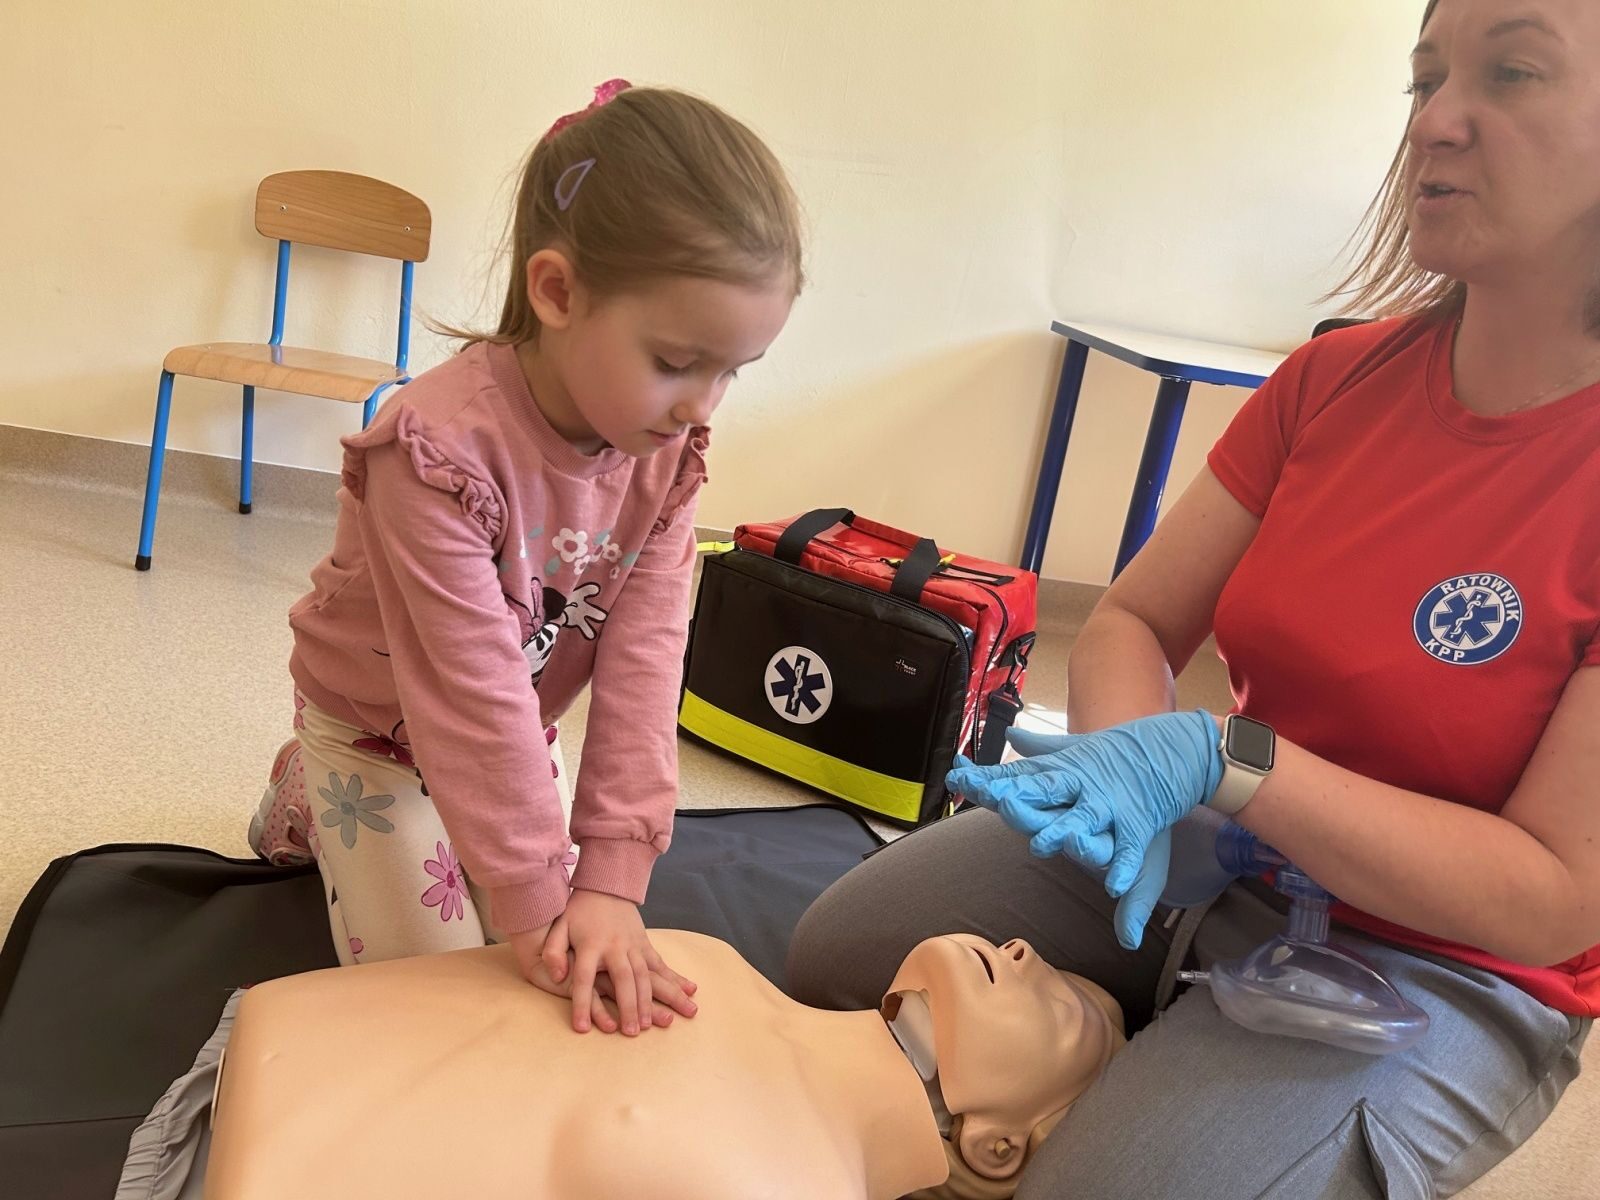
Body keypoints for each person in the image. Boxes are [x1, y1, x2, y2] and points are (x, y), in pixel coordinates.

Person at [788, 1, 1600, 1196]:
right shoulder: (1331, 380)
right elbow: (1130, 621)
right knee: (835, 958)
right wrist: (1134, 795)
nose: (1435, 121)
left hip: (1440, 963)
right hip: (1221, 849)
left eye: (1513, 73)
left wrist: (1227, 759)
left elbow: (1552, 898)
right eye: (1424, 79)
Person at [246, 80, 803, 1039]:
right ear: (557, 292)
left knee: (547, 942)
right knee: (447, 994)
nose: (700, 407)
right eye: (677, 363)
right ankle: (307, 787)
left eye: (730, 372)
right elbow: (468, 692)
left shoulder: (667, 459)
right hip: (375, 730)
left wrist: (613, 878)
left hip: (514, 721)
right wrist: (540, 905)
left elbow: (643, 663)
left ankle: (382, 822)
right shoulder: (433, 452)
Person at [205, 930, 1127, 1200]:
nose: (1020, 950)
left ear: (997, 1148)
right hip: (273, 1042)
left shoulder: (796, 1183)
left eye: (1055, 1004)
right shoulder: (722, 965)